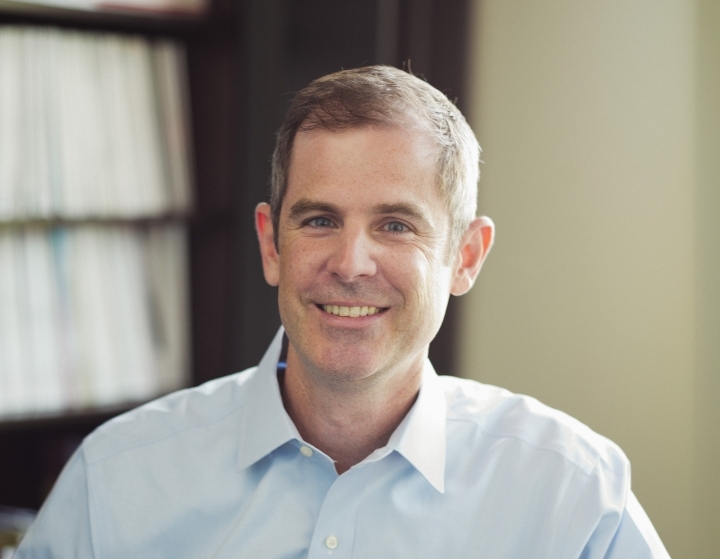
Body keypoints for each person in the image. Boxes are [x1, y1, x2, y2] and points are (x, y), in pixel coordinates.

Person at [16, 66, 670, 558]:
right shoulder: (115, 483)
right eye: (321, 219)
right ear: (272, 244)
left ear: (465, 256)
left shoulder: (572, 496)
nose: (352, 261)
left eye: (394, 224)